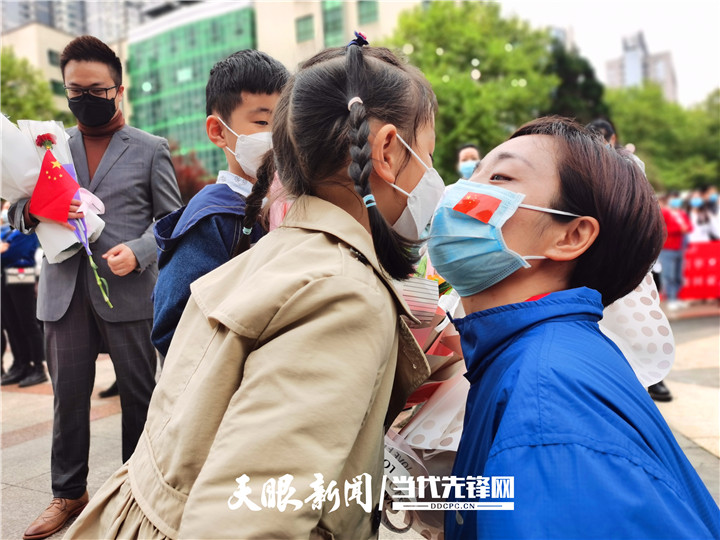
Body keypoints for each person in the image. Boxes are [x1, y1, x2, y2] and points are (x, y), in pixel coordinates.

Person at [66, 38, 439, 539]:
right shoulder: (342, 293)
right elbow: (251, 518)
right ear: (388, 151)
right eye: (427, 154)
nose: (431, 175)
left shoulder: (282, 245)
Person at [427, 117, 719, 539]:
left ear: (572, 236)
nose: (460, 192)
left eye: (500, 177)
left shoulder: (549, 408)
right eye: (474, 174)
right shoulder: (539, 358)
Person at [8, 36, 182, 540]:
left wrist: (141, 251)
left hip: (129, 292)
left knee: (140, 397)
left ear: (118, 90)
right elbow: (16, 210)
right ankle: (68, 493)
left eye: (96, 90)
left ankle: (136, 492)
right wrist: (35, 208)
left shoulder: (150, 148)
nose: (84, 98)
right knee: (67, 400)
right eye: (74, 90)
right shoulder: (48, 146)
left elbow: (171, 221)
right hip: (63, 294)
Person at [151, 50, 289, 358]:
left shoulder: (290, 204)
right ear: (218, 132)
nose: (275, 136)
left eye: (283, 123)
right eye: (262, 121)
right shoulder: (212, 218)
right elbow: (172, 326)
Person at [0, 203, 48, 387]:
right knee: (12, 325)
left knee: (27, 323)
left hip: (20, 277)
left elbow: (14, 253)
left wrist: (6, 249)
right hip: (6, 277)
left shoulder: (26, 229)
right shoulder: (7, 232)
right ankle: (22, 364)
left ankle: (38, 367)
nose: (7, 211)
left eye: (10, 206)